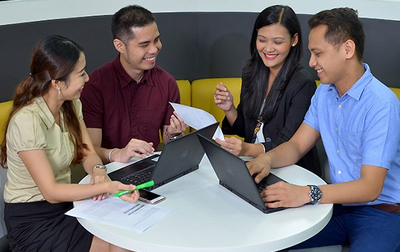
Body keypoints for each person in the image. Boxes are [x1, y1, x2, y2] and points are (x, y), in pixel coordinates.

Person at [247, 8, 400, 251]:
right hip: (334, 204)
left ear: (347, 50)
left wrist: (306, 194)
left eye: (318, 53)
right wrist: (266, 159)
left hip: (381, 213)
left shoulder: (382, 104)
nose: (311, 62)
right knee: (266, 238)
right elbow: (297, 145)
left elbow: (370, 188)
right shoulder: (324, 92)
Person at [0, 35, 140, 252]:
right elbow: (51, 192)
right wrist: (107, 186)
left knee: (126, 235)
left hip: (68, 207)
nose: (87, 78)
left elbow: (87, 152)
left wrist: (98, 170)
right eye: (81, 73)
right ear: (57, 82)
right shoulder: (27, 120)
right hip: (33, 222)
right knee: (121, 246)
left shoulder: (71, 105)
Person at [213, 5, 321, 176]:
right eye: (262, 40)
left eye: (277, 42)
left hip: (292, 170)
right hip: (254, 164)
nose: (268, 48)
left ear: (294, 40)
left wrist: (247, 149)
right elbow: (247, 130)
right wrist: (229, 109)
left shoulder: (303, 84)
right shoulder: (251, 72)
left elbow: (287, 144)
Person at [80, 5, 187, 164]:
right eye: (144, 44)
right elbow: (89, 149)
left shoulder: (167, 82)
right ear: (120, 46)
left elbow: (170, 141)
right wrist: (118, 154)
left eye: (156, 40)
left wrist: (174, 134)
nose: (154, 49)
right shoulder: (95, 86)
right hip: (109, 173)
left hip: (152, 168)